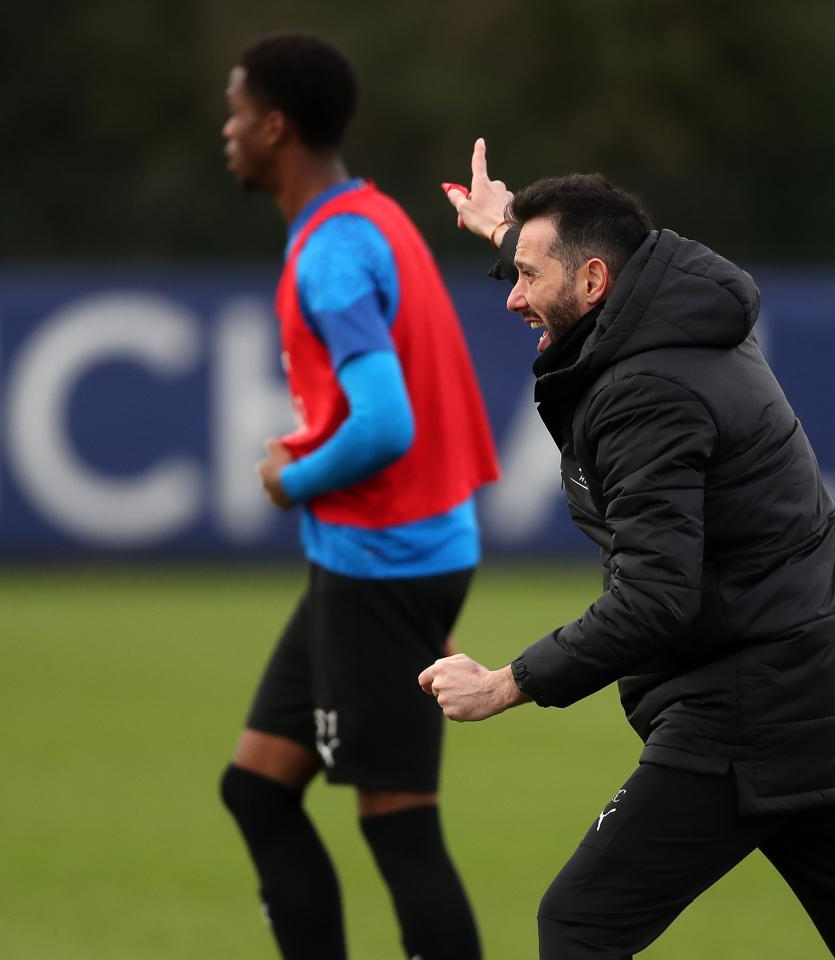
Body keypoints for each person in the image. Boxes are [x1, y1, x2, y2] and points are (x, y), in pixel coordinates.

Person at [421, 141, 835, 960]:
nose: (513, 297)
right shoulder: (677, 313)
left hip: (751, 708)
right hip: (820, 688)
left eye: (527, 275)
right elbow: (584, 259)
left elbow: (655, 597)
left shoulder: (646, 391)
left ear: (594, 282)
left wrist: (506, 683)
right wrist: (510, 229)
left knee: (580, 922)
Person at [217, 33, 499, 960]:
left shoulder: (333, 252)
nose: (226, 132)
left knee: (400, 825)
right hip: (385, 558)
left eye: (235, 113)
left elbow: (384, 425)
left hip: (385, 563)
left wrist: (287, 479)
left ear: (275, 127)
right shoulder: (369, 217)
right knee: (257, 789)